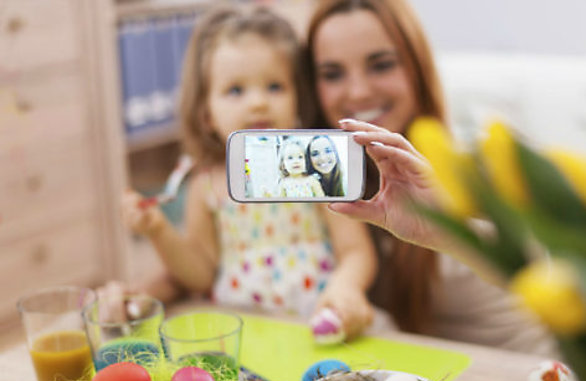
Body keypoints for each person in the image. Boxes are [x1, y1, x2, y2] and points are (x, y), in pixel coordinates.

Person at [306, 0, 554, 354]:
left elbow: (544, 270)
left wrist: (448, 227)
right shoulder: (335, 190)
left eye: (382, 65)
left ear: (417, 67)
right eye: (332, 74)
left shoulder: (480, 162)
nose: (358, 91)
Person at [120, 5, 377, 339]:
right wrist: (158, 230)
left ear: (298, 98)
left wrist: (346, 287)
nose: (258, 103)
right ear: (207, 114)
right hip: (243, 336)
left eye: (274, 87)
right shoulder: (206, 185)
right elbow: (200, 274)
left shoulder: (318, 167)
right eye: (236, 90)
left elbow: (356, 250)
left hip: (317, 326)